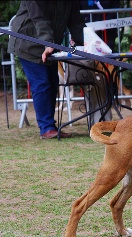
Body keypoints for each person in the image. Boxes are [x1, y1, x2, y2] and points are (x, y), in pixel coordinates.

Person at [8, 1, 85, 139]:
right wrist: (48, 42)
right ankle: (46, 128)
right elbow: (39, 18)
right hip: (27, 43)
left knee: (52, 82)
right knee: (41, 83)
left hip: (49, 44)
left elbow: (76, 21)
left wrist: (85, 42)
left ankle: (50, 125)